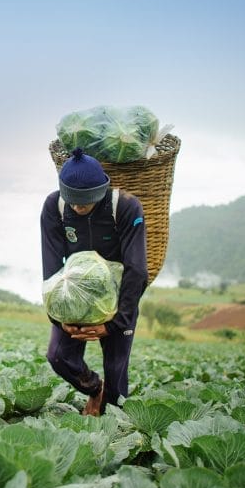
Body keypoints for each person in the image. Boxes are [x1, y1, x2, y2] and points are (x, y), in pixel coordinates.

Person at [40, 147, 148, 416]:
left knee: (116, 373)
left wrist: (113, 323)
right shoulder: (54, 207)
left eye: (85, 201)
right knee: (58, 356)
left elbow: (137, 270)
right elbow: (52, 269)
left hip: (115, 302)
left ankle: (113, 426)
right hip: (74, 300)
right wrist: (60, 319)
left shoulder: (124, 206)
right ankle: (94, 389)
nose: (78, 207)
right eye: (73, 201)